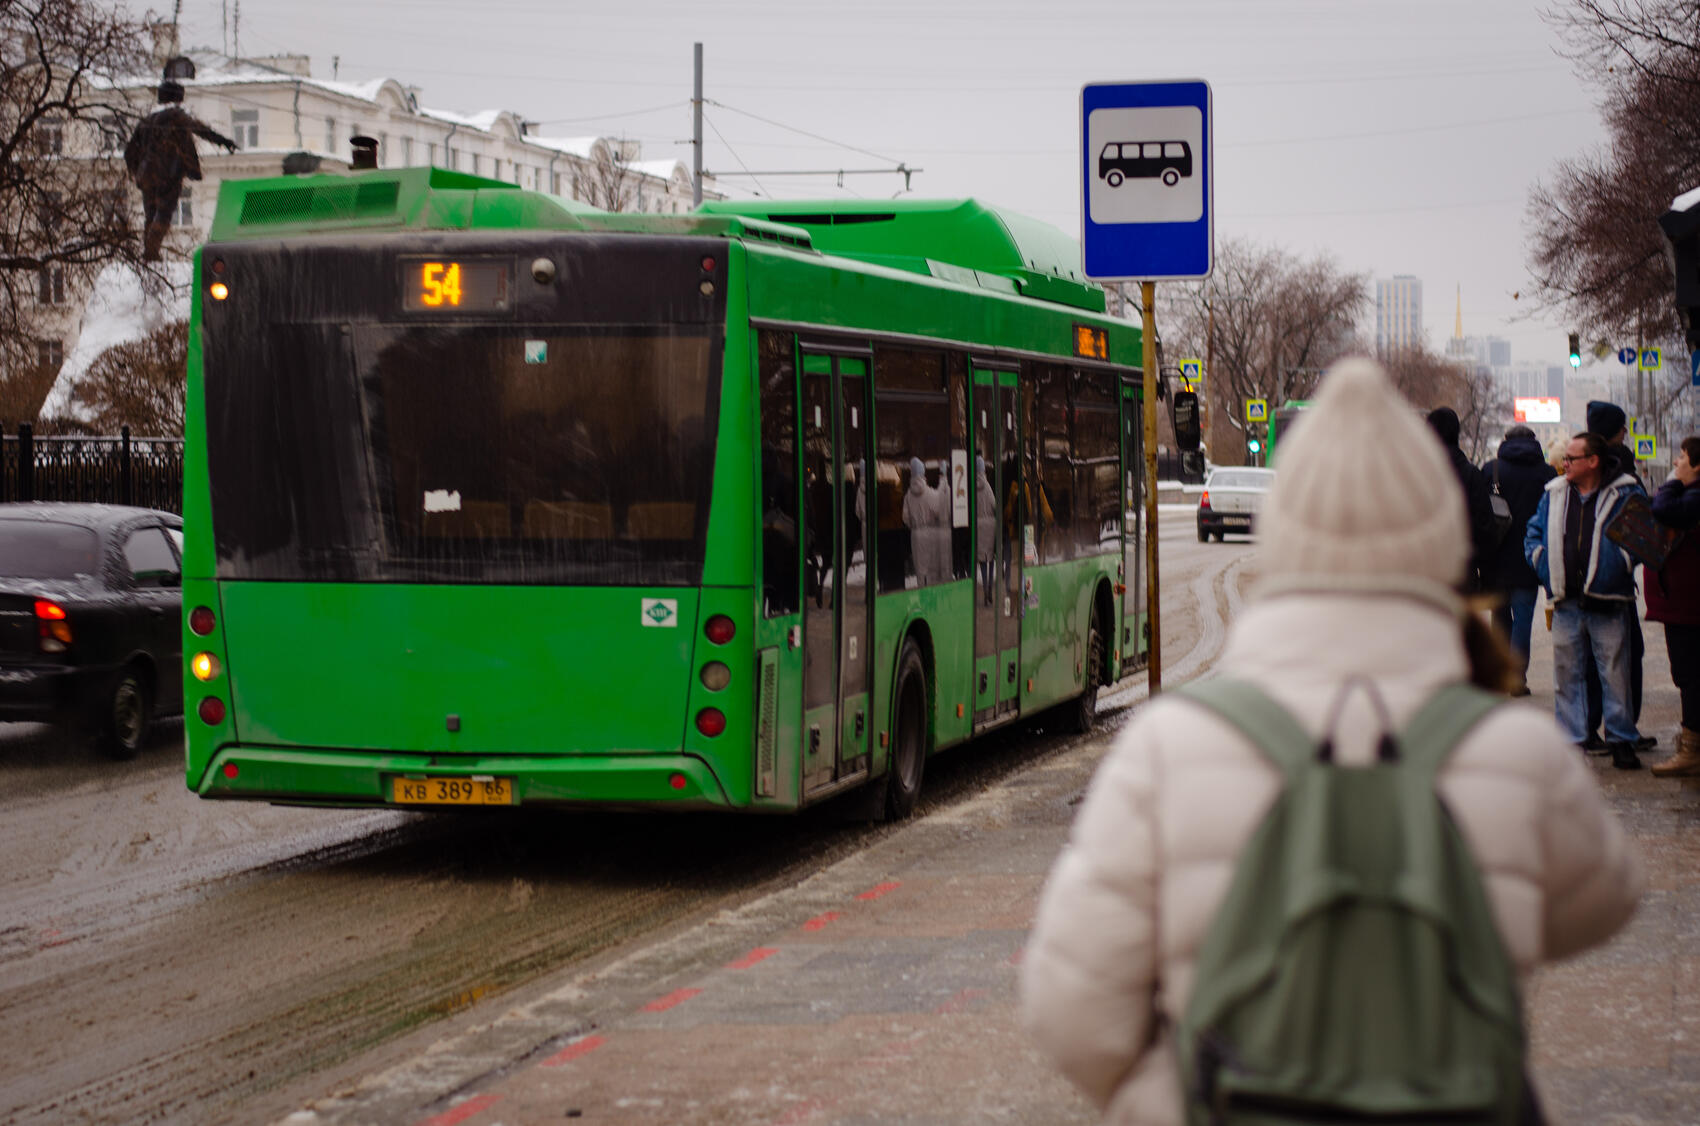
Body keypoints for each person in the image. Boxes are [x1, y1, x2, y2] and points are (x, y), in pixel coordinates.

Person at [1021, 358, 1640, 1124]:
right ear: (1442, 533)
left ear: (1284, 533)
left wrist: (1172, 1094)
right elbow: (1604, 903)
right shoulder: (1513, 752)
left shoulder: (1170, 748)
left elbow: (1072, 1009)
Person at [1525, 431, 1646, 769]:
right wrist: (1540, 560)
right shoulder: (1555, 493)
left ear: (1592, 461)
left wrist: (1620, 562)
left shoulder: (1625, 492)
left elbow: (1641, 537)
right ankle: (1571, 741)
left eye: (1571, 459)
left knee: (1615, 674)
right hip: (1565, 599)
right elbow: (1534, 531)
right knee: (1567, 673)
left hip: (1608, 600)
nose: (1564, 463)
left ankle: (1621, 740)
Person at [1582, 400, 1654, 752]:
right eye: (1622, 428)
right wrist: (1627, 560)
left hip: (1583, 578)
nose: (1626, 433)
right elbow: (1641, 522)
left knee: (1591, 659)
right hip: (1614, 583)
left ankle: (1592, 728)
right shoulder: (1620, 462)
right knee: (1623, 656)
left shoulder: (1581, 463)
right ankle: (1623, 730)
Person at [1479, 424, 1556, 695]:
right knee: (1523, 618)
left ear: (1505, 441)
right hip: (1529, 557)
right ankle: (1517, 679)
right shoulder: (1547, 473)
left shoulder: (1492, 470)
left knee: (1499, 618)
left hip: (1497, 557)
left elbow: (1481, 514)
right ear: (1534, 442)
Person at [124, 79, 238, 261]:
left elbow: (129, 152)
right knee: (163, 213)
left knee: (150, 214)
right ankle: (151, 251)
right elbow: (200, 130)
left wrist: (137, 171)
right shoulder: (175, 116)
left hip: (146, 176)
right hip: (169, 173)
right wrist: (224, 142)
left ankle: (149, 252)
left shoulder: (146, 122)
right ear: (176, 98)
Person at [1647, 435, 1700, 776]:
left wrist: (1670, 484)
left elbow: (1662, 508)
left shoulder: (1692, 497)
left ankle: (1692, 749)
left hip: (1689, 605)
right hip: (1683, 603)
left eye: (1682, 458)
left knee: (1691, 675)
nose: (1676, 463)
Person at [1425, 406, 1496, 590]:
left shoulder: (1418, 472)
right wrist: (1487, 576)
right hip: (1462, 568)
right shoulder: (1470, 473)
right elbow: (1484, 525)